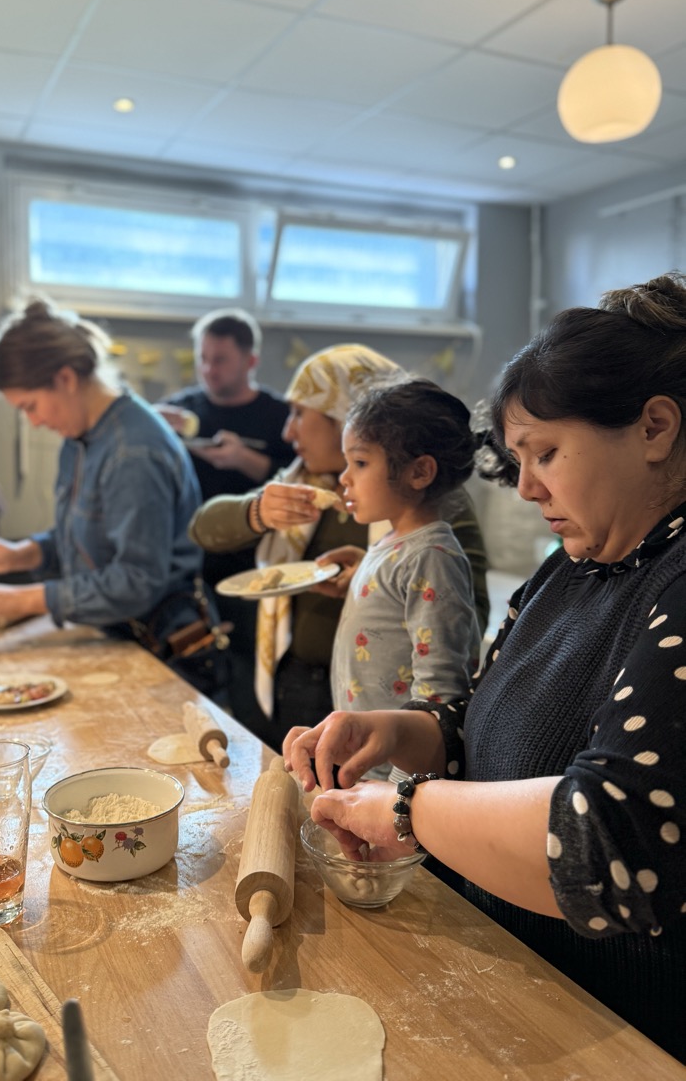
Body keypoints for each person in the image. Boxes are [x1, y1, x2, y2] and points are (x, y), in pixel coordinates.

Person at [284, 273, 686, 1064]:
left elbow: (607, 839)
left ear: (656, 427)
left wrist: (405, 813)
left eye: (546, 453)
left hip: (614, 1035)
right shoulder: (571, 564)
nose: (527, 487)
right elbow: (485, 731)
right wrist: (399, 732)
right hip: (511, 983)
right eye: (518, 458)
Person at [189, 344, 489, 748]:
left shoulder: (431, 510)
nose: (287, 432)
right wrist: (257, 511)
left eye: (299, 413)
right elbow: (203, 528)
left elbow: (457, 620)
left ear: (341, 415)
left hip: (383, 712)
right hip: (307, 682)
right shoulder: (305, 480)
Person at [0, 300, 208, 656]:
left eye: (30, 406)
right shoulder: (81, 437)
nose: (35, 422)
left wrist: (25, 600)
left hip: (161, 648)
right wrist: (21, 555)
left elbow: (135, 583)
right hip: (115, 638)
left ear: (66, 379)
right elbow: (88, 538)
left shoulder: (133, 452)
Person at [331, 377, 481, 778]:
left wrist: (402, 790)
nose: (344, 477)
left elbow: (440, 689)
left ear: (420, 472)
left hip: (395, 777)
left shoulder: (432, 557)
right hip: (366, 764)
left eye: (360, 463)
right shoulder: (396, 543)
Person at [157, 309, 292, 719]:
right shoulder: (182, 409)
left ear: (250, 362)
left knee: (249, 678)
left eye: (220, 360)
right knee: (189, 676)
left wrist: (244, 459)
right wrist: (153, 421)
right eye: (203, 358)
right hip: (190, 569)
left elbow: (297, 486)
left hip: (257, 568)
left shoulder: (279, 415)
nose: (208, 370)